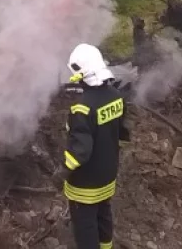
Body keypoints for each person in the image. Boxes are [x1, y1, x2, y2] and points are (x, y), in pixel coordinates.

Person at [64, 43, 130, 249]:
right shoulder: (116, 97)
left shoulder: (81, 108)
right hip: (108, 175)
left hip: (85, 183)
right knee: (103, 215)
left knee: (85, 226)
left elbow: (80, 151)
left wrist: (63, 170)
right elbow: (121, 132)